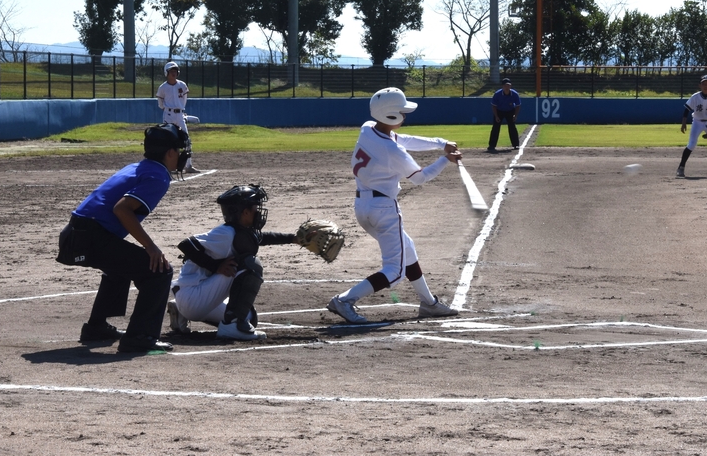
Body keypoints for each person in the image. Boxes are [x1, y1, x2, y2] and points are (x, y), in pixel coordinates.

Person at [327, 87, 462, 324]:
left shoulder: (368, 128)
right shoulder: (392, 150)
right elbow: (419, 178)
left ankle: (429, 303)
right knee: (395, 270)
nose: (405, 115)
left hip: (363, 206)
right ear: (391, 114)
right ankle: (345, 299)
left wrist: (440, 144)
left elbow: (404, 140)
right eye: (401, 111)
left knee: (407, 249)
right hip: (384, 210)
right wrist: (444, 160)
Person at [56, 123, 188, 353]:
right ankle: (140, 337)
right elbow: (122, 209)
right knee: (159, 270)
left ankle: (96, 328)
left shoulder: (138, 167)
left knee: (121, 265)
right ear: (169, 153)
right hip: (90, 237)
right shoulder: (158, 176)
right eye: (179, 149)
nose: (182, 154)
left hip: (76, 234)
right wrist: (151, 247)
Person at [167, 184, 300, 341]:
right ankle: (232, 326)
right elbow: (186, 244)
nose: (258, 212)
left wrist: (294, 239)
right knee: (249, 264)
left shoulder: (238, 232)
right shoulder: (225, 233)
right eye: (255, 208)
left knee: (249, 317)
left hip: (194, 298)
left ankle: (180, 310)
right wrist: (215, 266)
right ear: (245, 212)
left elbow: (260, 238)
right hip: (194, 296)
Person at [156, 61, 198, 173]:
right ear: (166, 72)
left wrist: (180, 109)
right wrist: (167, 109)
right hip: (168, 114)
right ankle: (169, 166)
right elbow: (160, 103)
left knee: (186, 139)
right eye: (171, 71)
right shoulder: (163, 87)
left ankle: (188, 165)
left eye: (175, 71)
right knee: (169, 141)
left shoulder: (182, 85)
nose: (174, 73)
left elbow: (184, 100)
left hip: (179, 115)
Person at [487, 77, 521, 152]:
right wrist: (496, 116)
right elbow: (494, 105)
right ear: (502, 86)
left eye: (508, 85)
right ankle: (491, 145)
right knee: (495, 127)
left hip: (510, 110)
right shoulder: (497, 94)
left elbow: (518, 105)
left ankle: (516, 144)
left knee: (512, 127)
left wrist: (515, 115)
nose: (507, 87)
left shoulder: (514, 94)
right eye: (505, 85)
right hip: (499, 111)